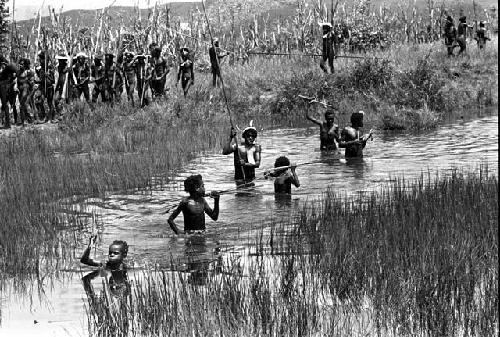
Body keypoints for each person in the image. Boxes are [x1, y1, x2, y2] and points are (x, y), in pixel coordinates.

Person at [81, 236, 130, 304]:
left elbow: (126, 286)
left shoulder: (125, 267)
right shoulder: (106, 265)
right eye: (110, 253)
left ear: (124, 255)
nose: (111, 255)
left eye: (115, 253)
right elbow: (84, 260)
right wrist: (90, 246)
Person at [0, 56, 17, 128]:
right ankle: (5, 122)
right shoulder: (4, 69)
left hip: (3, 87)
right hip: (3, 87)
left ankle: (8, 123)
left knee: (5, 104)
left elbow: (14, 70)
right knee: (4, 105)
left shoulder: (6, 69)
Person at [16, 58, 34, 125]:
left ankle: (30, 119)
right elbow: (18, 81)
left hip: (26, 90)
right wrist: (17, 88)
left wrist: (29, 80)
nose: (21, 65)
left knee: (25, 105)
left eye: (22, 64)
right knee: (22, 106)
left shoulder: (29, 72)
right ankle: (24, 120)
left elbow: (32, 82)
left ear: (25, 65)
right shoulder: (18, 72)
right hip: (20, 91)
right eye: (20, 64)